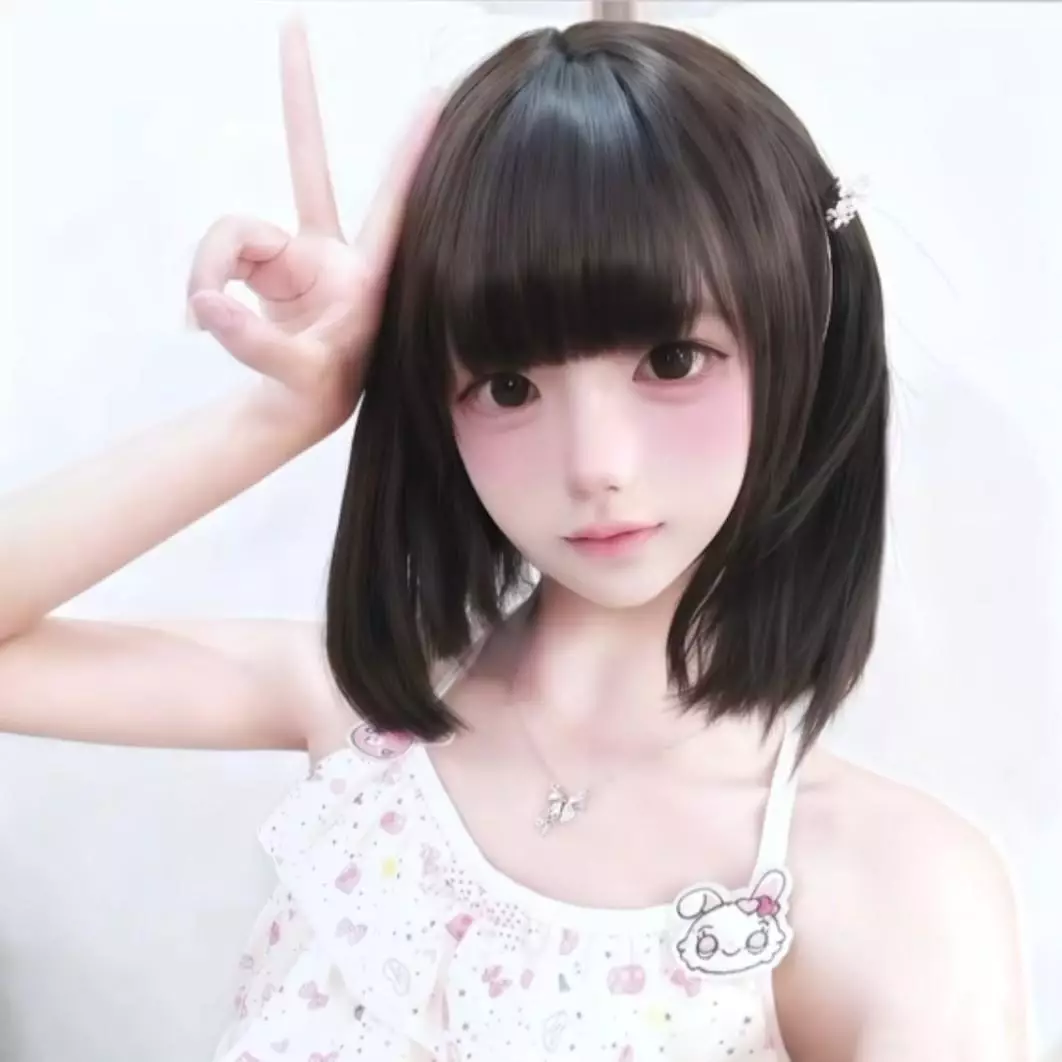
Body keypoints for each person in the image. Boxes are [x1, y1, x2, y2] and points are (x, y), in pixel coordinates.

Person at [0, 16, 1029, 1062]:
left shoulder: (892, 891)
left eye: (673, 361)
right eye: (507, 386)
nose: (595, 463)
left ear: (802, 341)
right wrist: (285, 415)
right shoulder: (363, 722)